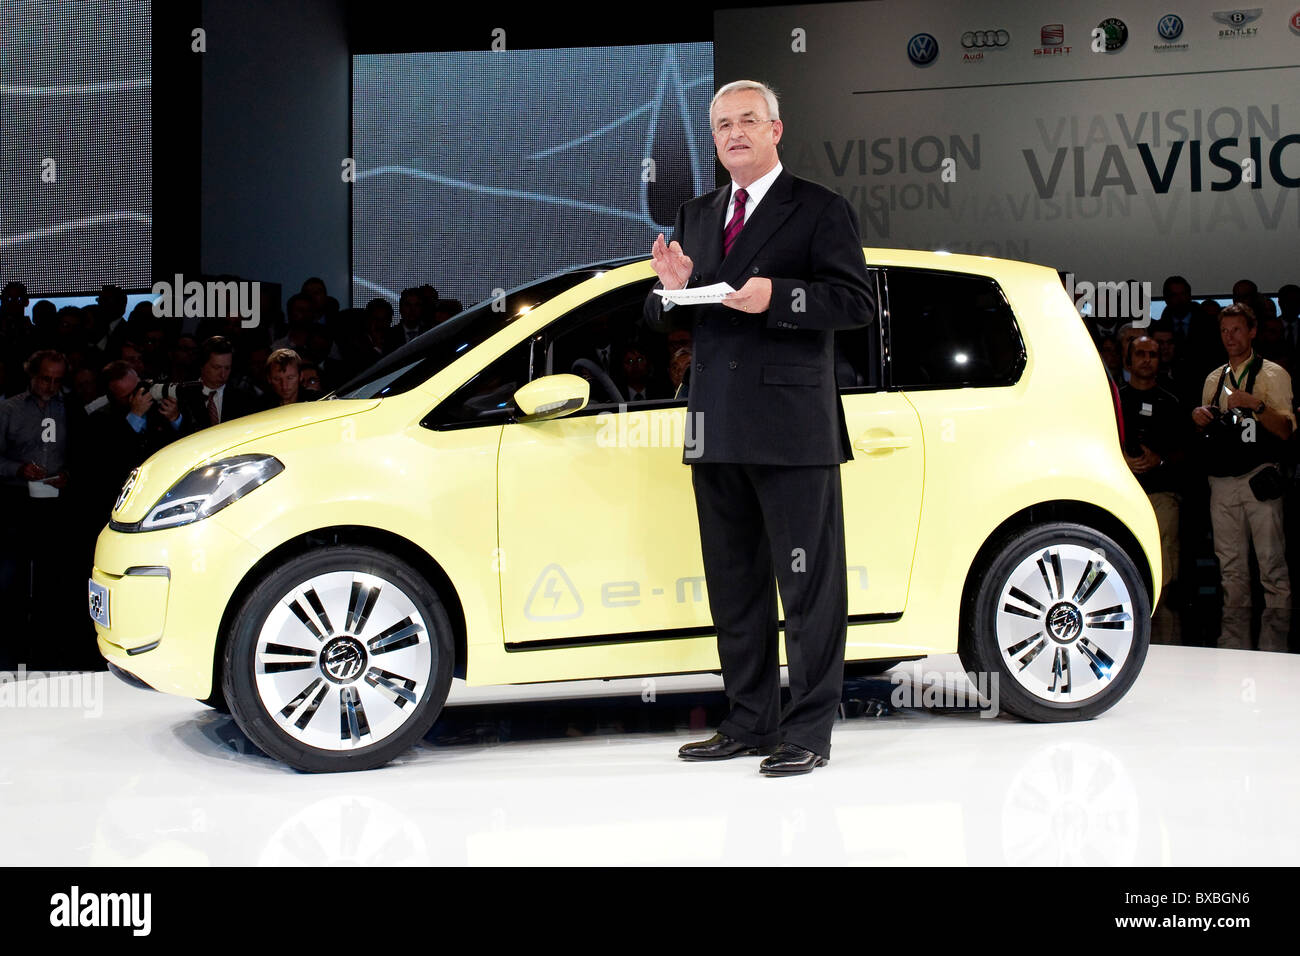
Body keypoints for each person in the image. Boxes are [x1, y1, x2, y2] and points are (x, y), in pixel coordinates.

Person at [643, 79, 876, 776]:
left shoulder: (819, 209)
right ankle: (749, 721)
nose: (735, 132)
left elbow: (855, 302)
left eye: (749, 120)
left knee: (808, 588)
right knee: (734, 585)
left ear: (776, 130)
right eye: (723, 125)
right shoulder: (697, 212)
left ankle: (808, 731)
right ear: (713, 140)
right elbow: (662, 316)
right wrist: (671, 289)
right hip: (716, 425)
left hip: (792, 427)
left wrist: (780, 296)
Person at [1191, 303, 1295, 608]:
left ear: (1252, 332)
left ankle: (1278, 646)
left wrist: (1257, 405)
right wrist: (1199, 419)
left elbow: (1287, 430)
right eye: (1224, 330)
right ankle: (1235, 645)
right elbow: (1209, 433)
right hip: (1221, 480)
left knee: (1272, 564)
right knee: (1230, 568)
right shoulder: (1214, 378)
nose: (1229, 336)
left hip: (1258, 476)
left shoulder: (1273, 374)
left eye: (1236, 329)